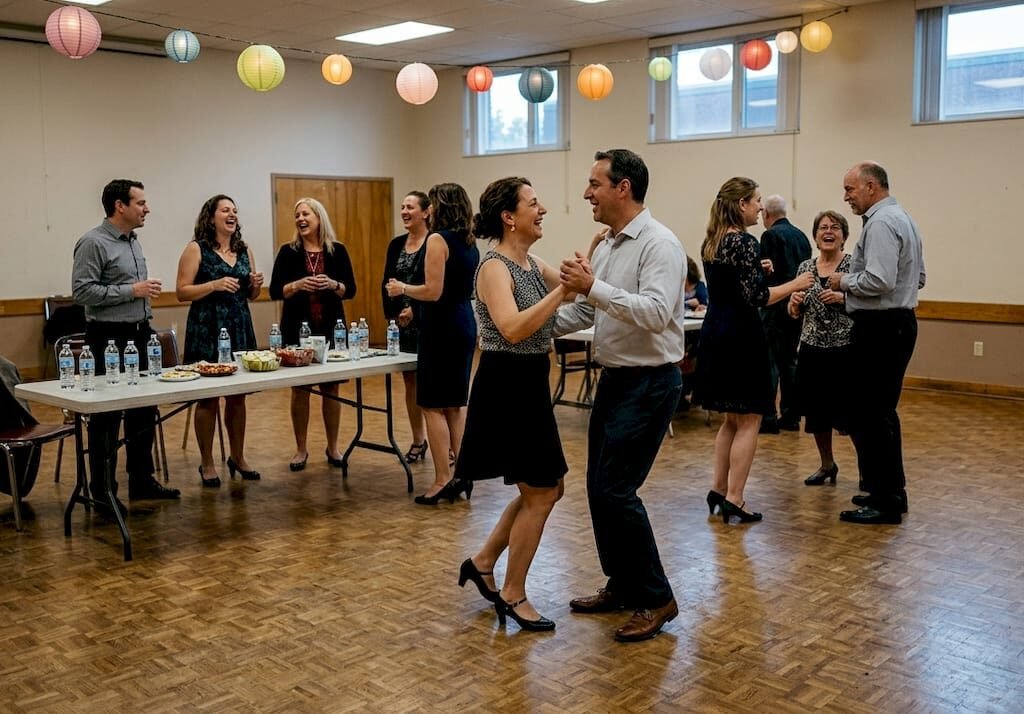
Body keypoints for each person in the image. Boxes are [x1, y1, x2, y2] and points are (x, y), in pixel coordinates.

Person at [555, 149, 685, 643]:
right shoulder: (610, 245)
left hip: (650, 382)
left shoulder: (661, 244)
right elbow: (591, 314)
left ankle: (657, 597)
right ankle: (623, 583)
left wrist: (591, 287)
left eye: (594, 184)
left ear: (623, 187)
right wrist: (532, 327)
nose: (587, 193)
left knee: (616, 491)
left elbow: (654, 313)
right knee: (598, 488)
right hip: (616, 380)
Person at [455, 177, 570, 632]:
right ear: (509, 217)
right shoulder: (494, 267)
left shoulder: (531, 262)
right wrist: (564, 292)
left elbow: (575, 290)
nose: (541, 210)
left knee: (546, 488)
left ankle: (483, 560)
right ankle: (513, 592)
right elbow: (512, 328)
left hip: (530, 383)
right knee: (541, 491)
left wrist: (593, 259)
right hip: (506, 385)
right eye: (533, 204)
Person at [694, 178, 813, 524]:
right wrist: (795, 283)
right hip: (741, 337)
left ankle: (718, 488)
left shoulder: (712, 242)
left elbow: (730, 285)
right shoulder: (745, 241)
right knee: (751, 419)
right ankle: (735, 497)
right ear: (741, 204)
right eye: (756, 201)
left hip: (716, 333)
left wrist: (756, 272)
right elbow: (758, 298)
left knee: (731, 419)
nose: (760, 207)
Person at [71, 179, 180, 516]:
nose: (147, 209)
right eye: (141, 203)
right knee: (106, 418)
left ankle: (141, 480)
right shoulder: (93, 242)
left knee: (143, 410)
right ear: (120, 206)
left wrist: (138, 297)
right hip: (106, 338)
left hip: (139, 334)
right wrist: (130, 291)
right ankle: (102, 490)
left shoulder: (133, 242)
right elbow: (82, 292)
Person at [827, 161, 925, 525]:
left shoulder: (882, 223)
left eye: (850, 189)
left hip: (881, 328)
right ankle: (886, 489)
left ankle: (885, 501)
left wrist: (843, 283)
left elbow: (879, 280)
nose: (846, 197)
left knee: (871, 413)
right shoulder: (904, 218)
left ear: (871, 187)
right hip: (896, 323)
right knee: (878, 412)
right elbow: (920, 277)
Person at [385, 183, 479, 505]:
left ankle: (442, 479)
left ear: (440, 206)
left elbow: (434, 291)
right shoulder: (469, 241)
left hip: (442, 328)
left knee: (432, 404)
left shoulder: (438, 240)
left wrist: (403, 289)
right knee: (455, 403)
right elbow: (453, 289)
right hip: (464, 322)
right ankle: (462, 474)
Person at [176, 195, 263, 487]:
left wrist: (255, 287)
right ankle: (207, 462)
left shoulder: (244, 249)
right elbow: (182, 291)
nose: (232, 214)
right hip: (207, 327)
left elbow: (251, 296)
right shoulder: (195, 249)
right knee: (208, 398)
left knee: (237, 396)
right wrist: (213, 284)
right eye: (225, 210)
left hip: (239, 327)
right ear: (210, 217)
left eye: (235, 210)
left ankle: (237, 456)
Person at [269, 197, 357, 471]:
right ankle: (301, 449)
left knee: (331, 388)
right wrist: (296, 285)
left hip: (331, 329)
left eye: (306, 214)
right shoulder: (288, 252)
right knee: (301, 389)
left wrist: (333, 284)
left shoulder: (337, 251)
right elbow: (274, 291)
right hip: (297, 329)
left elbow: (350, 290)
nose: (300, 219)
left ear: (319, 218)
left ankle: (333, 447)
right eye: (297, 215)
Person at [787, 210, 853, 486]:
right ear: (815, 236)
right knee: (817, 414)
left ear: (844, 236)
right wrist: (793, 304)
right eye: (823, 228)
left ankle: (867, 472)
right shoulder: (805, 268)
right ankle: (827, 465)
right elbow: (794, 311)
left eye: (835, 227)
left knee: (852, 415)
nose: (828, 232)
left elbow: (868, 307)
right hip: (812, 350)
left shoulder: (853, 267)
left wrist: (842, 299)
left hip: (845, 350)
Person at [381, 191, 429, 463]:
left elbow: (436, 286)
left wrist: (416, 311)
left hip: (427, 322)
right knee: (410, 382)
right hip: (401, 325)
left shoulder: (434, 242)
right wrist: (392, 317)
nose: (404, 212)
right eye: (402, 207)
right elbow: (386, 283)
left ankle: (446, 444)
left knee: (430, 384)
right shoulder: (397, 244)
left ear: (425, 212)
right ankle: (418, 439)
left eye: (410, 207)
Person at [759, 195, 811, 433]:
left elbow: (766, 275)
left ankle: (768, 417)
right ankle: (791, 416)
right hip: (797, 306)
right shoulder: (801, 236)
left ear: (766, 215)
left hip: (775, 306)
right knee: (790, 362)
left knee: (769, 363)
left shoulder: (770, 236)